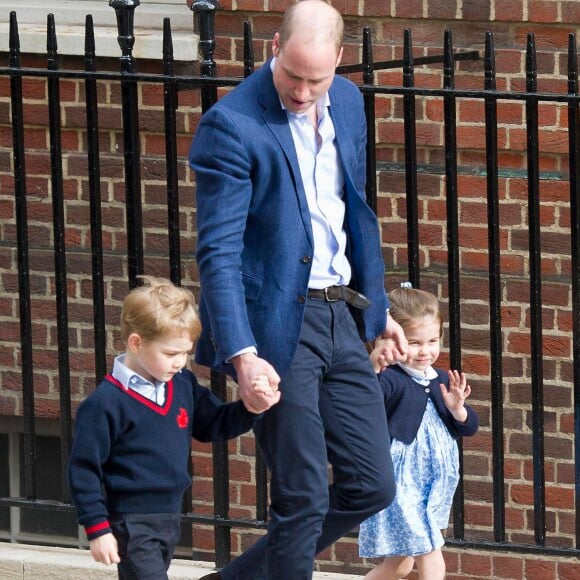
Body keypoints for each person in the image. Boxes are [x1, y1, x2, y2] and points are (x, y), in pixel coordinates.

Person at [189, 1, 408, 579]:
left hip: (342, 315)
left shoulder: (352, 103)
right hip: (278, 330)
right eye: (293, 76)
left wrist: (377, 305)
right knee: (303, 499)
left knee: (371, 484)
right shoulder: (232, 125)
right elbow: (218, 252)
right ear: (272, 50)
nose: (305, 92)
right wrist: (242, 355)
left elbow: (352, 211)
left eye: (318, 78)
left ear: (339, 59)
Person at [68, 276, 279, 580]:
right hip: (131, 521)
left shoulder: (182, 385)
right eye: (170, 353)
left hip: (170, 516)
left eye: (185, 353)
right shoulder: (105, 403)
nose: (180, 362)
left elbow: (214, 424)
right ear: (136, 342)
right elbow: (83, 470)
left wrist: (251, 408)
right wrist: (97, 527)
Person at [358, 286, 479, 580]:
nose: (425, 351)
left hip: (432, 484)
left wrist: (457, 409)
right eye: (414, 342)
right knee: (430, 551)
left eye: (432, 341)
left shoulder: (440, 379)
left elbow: (470, 426)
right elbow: (362, 400)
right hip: (403, 480)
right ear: (390, 340)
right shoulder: (390, 379)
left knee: (399, 565)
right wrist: (373, 366)